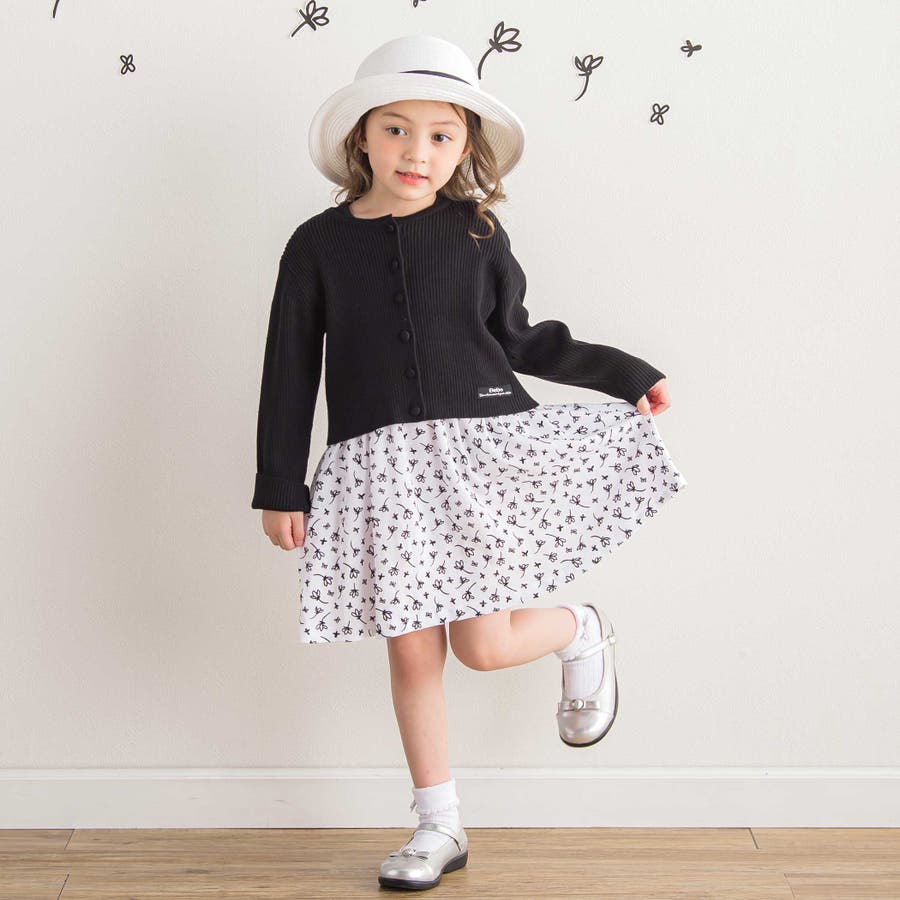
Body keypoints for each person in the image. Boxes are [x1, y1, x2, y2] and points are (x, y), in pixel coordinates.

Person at [251, 34, 688, 891]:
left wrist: (626, 373)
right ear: (362, 136)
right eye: (396, 129)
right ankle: (438, 824)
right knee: (413, 656)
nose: (417, 151)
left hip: (478, 459)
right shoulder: (316, 245)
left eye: (441, 135)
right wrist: (279, 483)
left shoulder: (477, 231)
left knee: (484, 647)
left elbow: (520, 338)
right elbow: (289, 364)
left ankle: (579, 628)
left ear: (465, 148)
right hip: (381, 475)